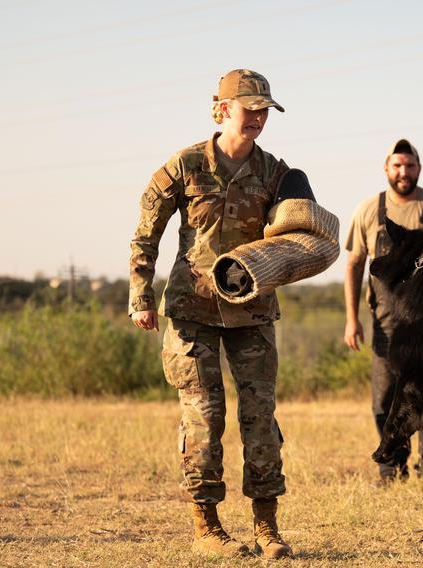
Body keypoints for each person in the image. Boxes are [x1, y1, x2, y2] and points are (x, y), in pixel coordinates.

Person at [129, 69, 294, 560]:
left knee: (260, 418)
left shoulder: (276, 173)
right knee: (205, 418)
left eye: (266, 111)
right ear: (222, 110)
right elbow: (145, 234)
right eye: (251, 109)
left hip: (252, 308)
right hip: (192, 310)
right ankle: (207, 528)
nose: (259, 118)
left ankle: (267, 528)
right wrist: (140, 295)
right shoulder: (183, 166)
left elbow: (300, 232)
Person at [343, 139, 423, 484]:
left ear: (419, 169)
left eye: (410, 166)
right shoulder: (369, 210)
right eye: (397, 166)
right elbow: (353, 265)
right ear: (386, 168)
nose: (403, 172)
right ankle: (391, 469)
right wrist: (352, 319)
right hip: (386, 324)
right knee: (385, 398)